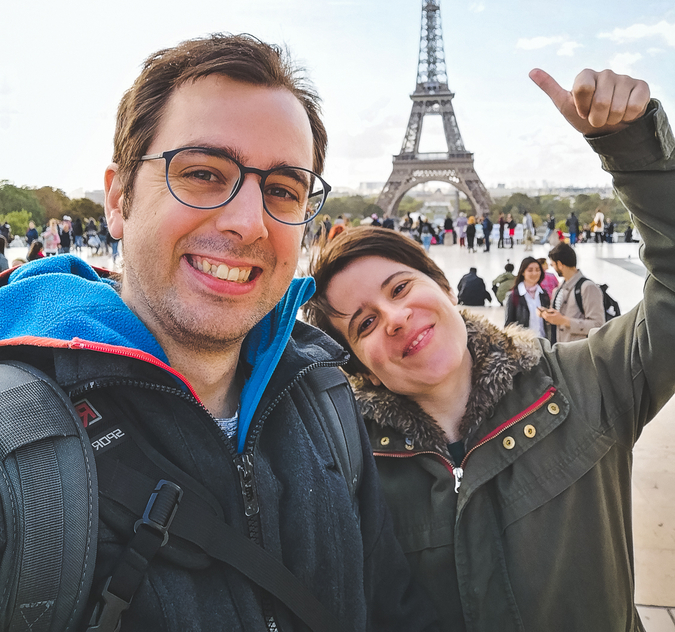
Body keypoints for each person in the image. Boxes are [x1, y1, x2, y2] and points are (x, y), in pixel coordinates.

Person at [0, 34, 436, 632]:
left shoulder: (331, 404)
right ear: (119, 198)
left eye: (283, 189)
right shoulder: (13, 441)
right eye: (204, 173)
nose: (247, 223)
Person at [304, 66, 675, 632]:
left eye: (401, 288)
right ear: (362, 366)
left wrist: (632, 149)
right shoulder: (348, 472)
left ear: (444, 286)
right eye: (365, 324)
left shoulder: (590, 381)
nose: (397, 319)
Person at [540, 241, 605, 342]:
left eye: (553, 265)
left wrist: (564, 321)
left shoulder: (588, 287)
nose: (553, 268)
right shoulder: (560, 288)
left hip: (579, 352)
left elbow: (598, 325)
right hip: (562, 349)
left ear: (560, 264)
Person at [503, 257, 552, 339]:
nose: (534, 273)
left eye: (537, 270)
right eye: (530, 270)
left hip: (543, 344)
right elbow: (509, 325)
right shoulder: (514, 296)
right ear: (523, 272)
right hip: (524, 345)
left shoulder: (543, 294)